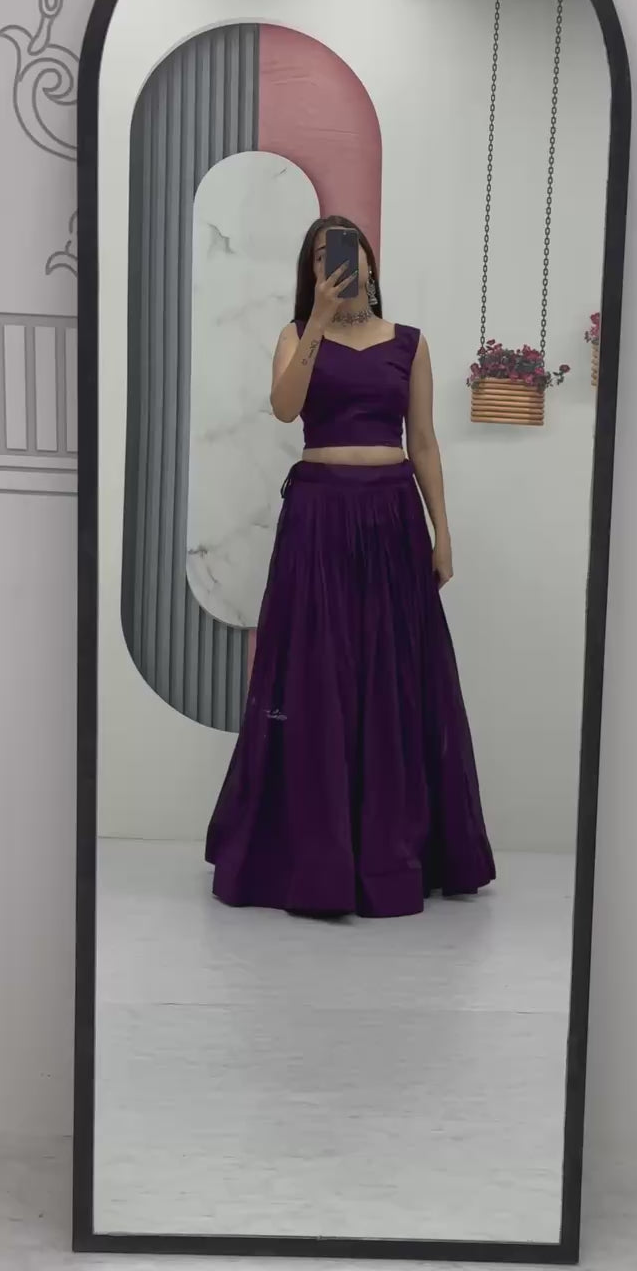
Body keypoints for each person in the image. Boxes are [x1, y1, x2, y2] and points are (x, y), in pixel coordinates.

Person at [206, 214, 495, 918]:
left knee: (393, 675)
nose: (338, 264)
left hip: (392, 515)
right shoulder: (295, 335)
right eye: (321, 259)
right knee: (316, 674)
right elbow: (285, 409)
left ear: (370, 262)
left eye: (349, 252)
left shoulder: (409, 344)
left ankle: (396, 851)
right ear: (311, 274)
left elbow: (423, 440)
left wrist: (443, 532)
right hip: (318, 514)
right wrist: (317, 322)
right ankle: (313, 855)